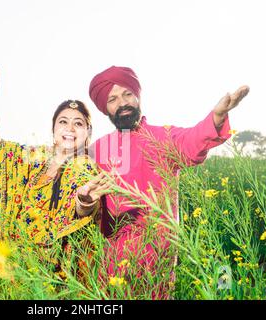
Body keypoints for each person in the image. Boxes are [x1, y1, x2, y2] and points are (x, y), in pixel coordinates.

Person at [87, 65, 250, 297]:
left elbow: (192, 141)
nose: (122, 103)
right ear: (105, 109)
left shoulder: (163, 137)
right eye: (112, 99)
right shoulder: (96, 150)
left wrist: (216, 117)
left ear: (138, 96)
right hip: (113, 261)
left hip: (158, 258)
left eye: (127, 94)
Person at [0, 68, 105, 275]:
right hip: (18, 267)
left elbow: (83, 211)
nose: (70, 128)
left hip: (56, 274)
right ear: (53, 130)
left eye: (78, 123)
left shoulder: (86, 167)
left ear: (87, 133)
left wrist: (85, 202)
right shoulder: (36, 157)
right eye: (63, 122)